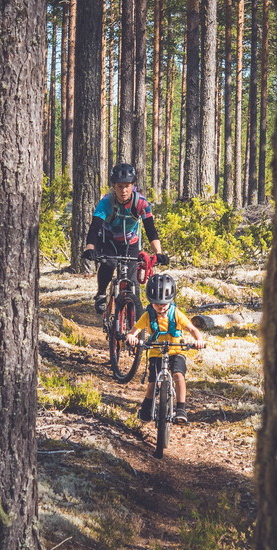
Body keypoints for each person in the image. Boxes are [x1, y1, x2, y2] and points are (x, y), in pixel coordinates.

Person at [82, 163, 168, 314]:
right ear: (114, 186)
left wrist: (158, 253)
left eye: (127, 186)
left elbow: (150, 229)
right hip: (108, 241)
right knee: (109, 264)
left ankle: (132, 317)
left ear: (133, 185)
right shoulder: (106, 203)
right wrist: (90, 248)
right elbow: (94, 227)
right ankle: (101, 294)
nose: (124, 190)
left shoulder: (141, 203)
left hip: (131, 243)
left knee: (132, 282)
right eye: (120, 186)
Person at [125, 273, 205, 424]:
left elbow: (192, 329)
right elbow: (134, 330)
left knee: (179, 376)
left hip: (176, 350)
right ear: (151, 302)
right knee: (153, 381)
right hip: (156, 351)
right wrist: (131, 337)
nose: (161, 307)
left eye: (164, 304)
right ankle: (147, 407)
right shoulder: (147, 315)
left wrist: (199, 340)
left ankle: (181, 408)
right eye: (157, 304)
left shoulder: (176, 313)